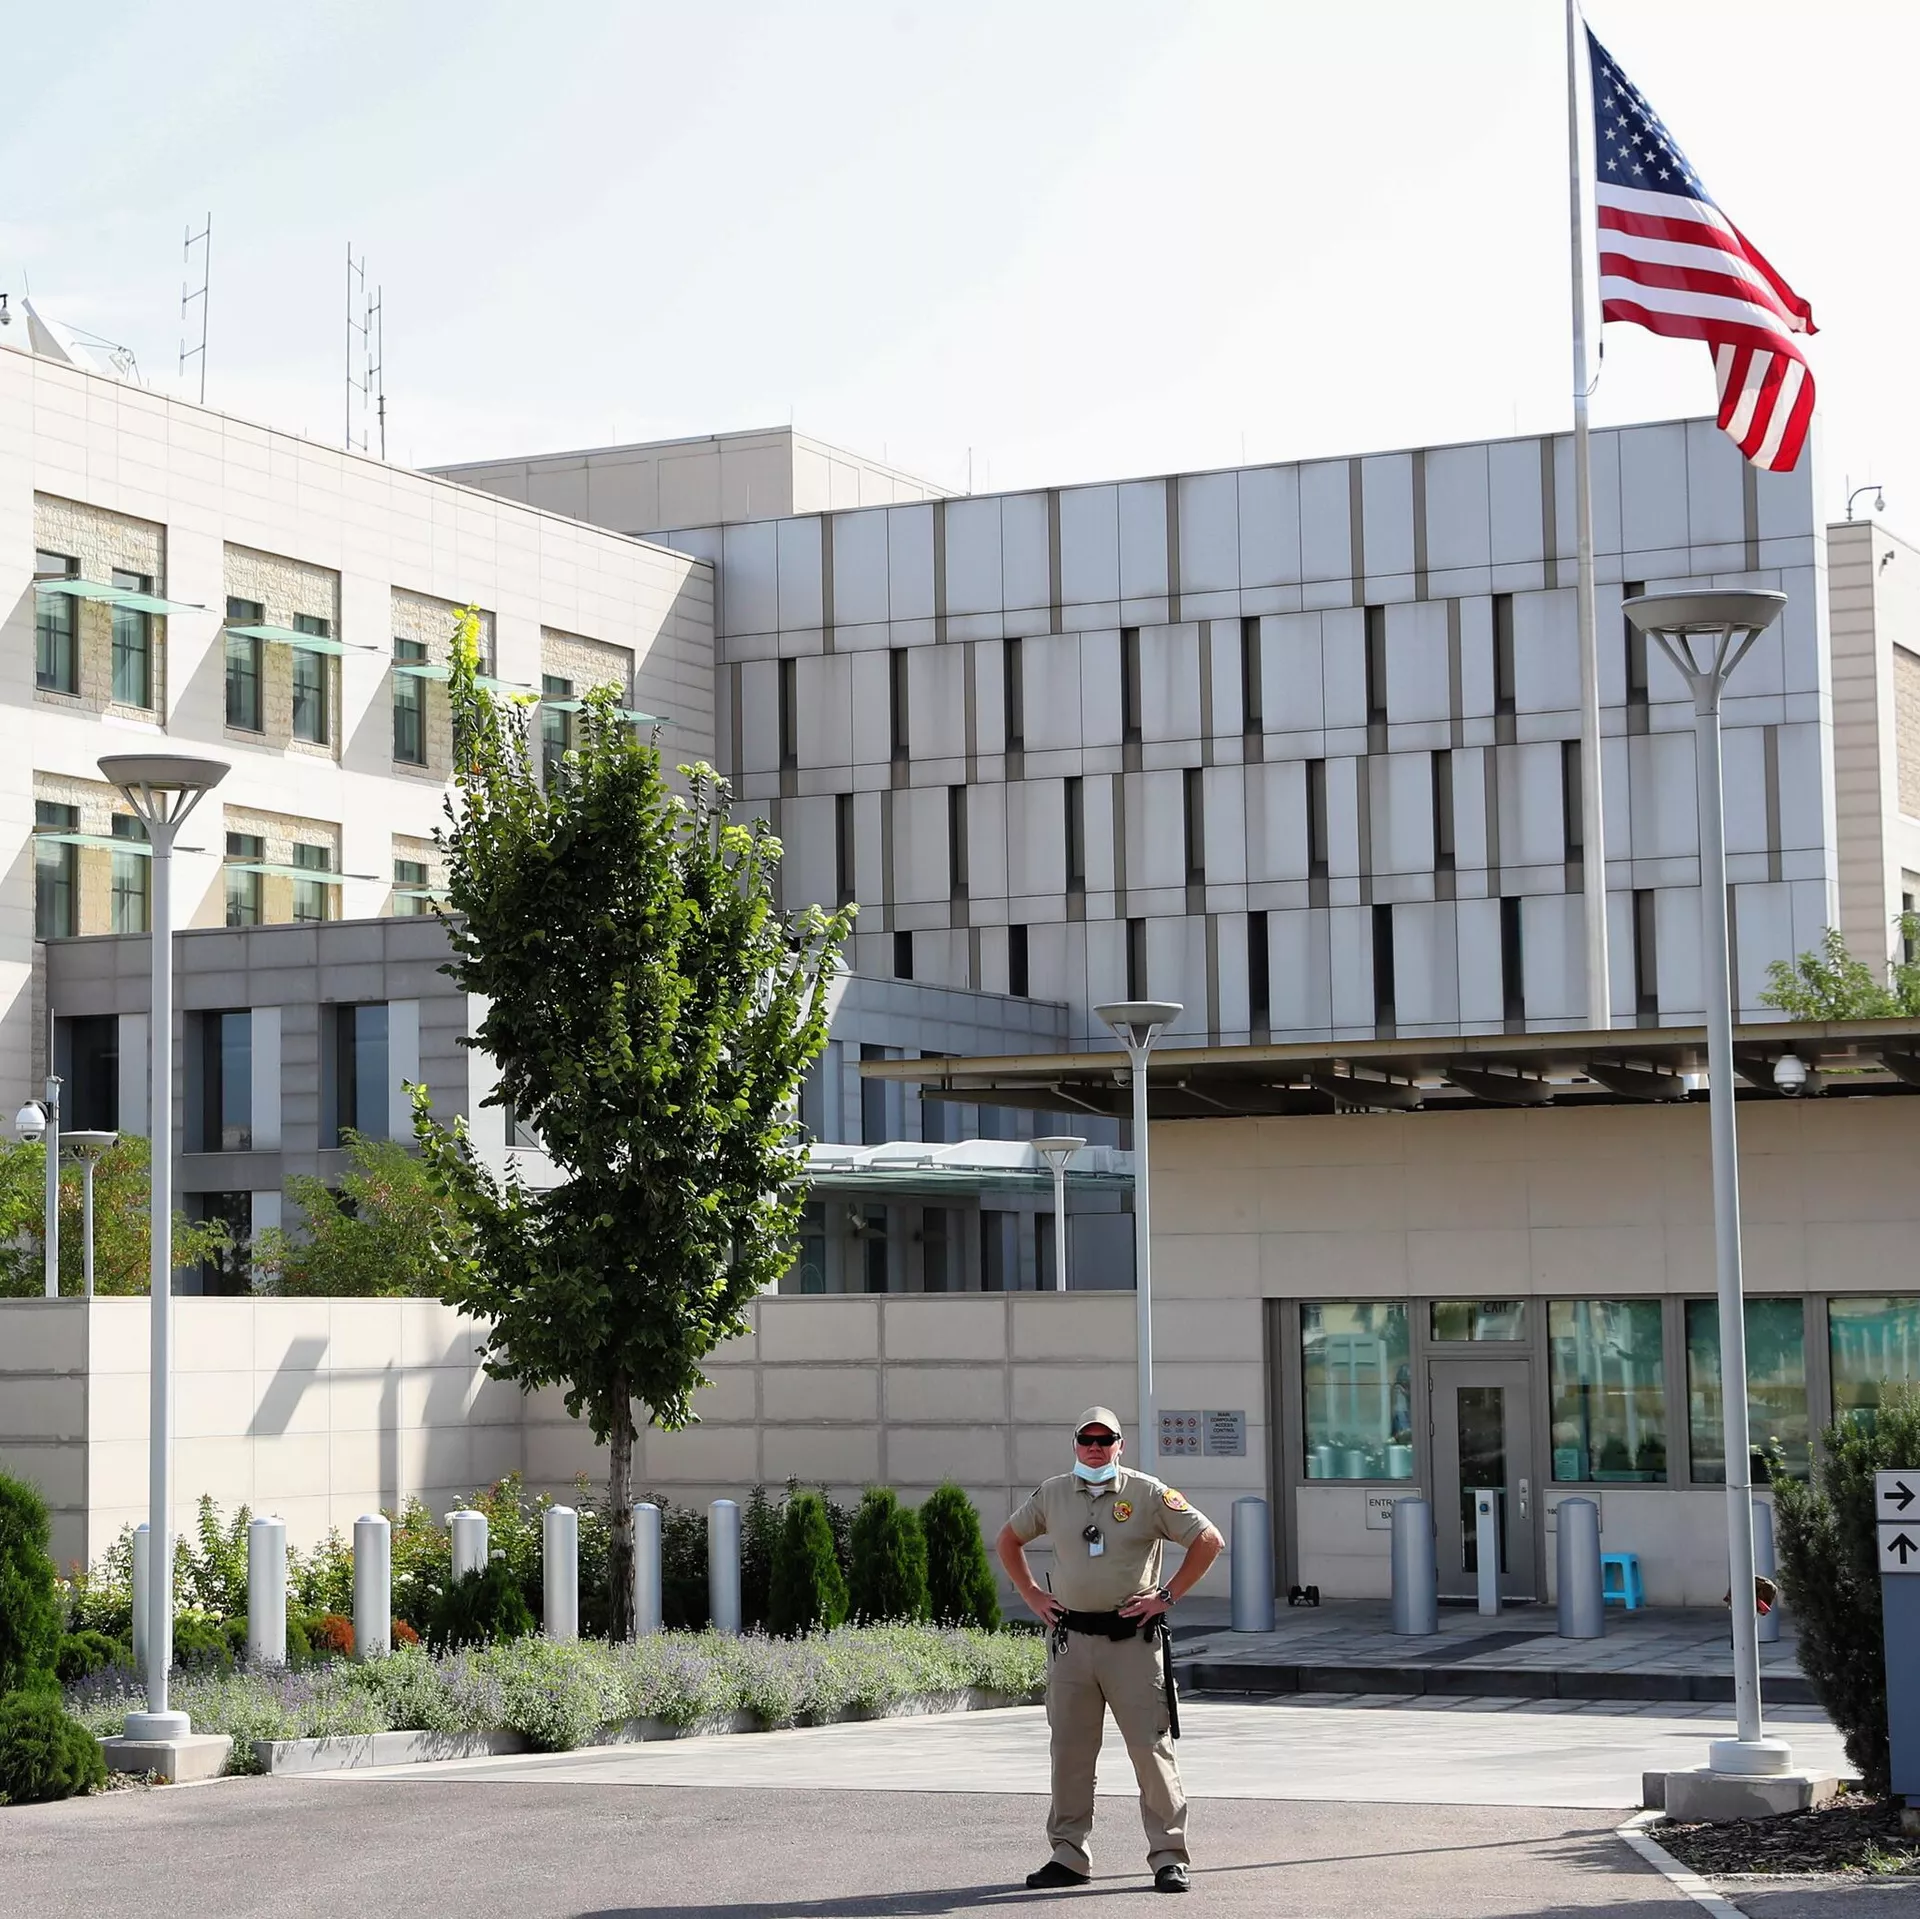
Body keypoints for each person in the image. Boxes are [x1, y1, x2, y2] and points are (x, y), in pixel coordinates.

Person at [996, 1406, 1225, 1894]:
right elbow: (1008, 1539)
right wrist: (1032, 1594)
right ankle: (1068, 1855)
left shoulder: (1147, 1493)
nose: (1096, 1448)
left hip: (1131, 1644)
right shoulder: (1054, 1493)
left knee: (1150, 1750)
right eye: (1088, 1439)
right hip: (1072, 1643)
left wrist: (1166, 1597)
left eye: (1106, 1440)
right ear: (1075, 1445)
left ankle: (1169, 1856)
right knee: (1070, 1753)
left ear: (1121, 1445)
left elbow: (1208, 1539)